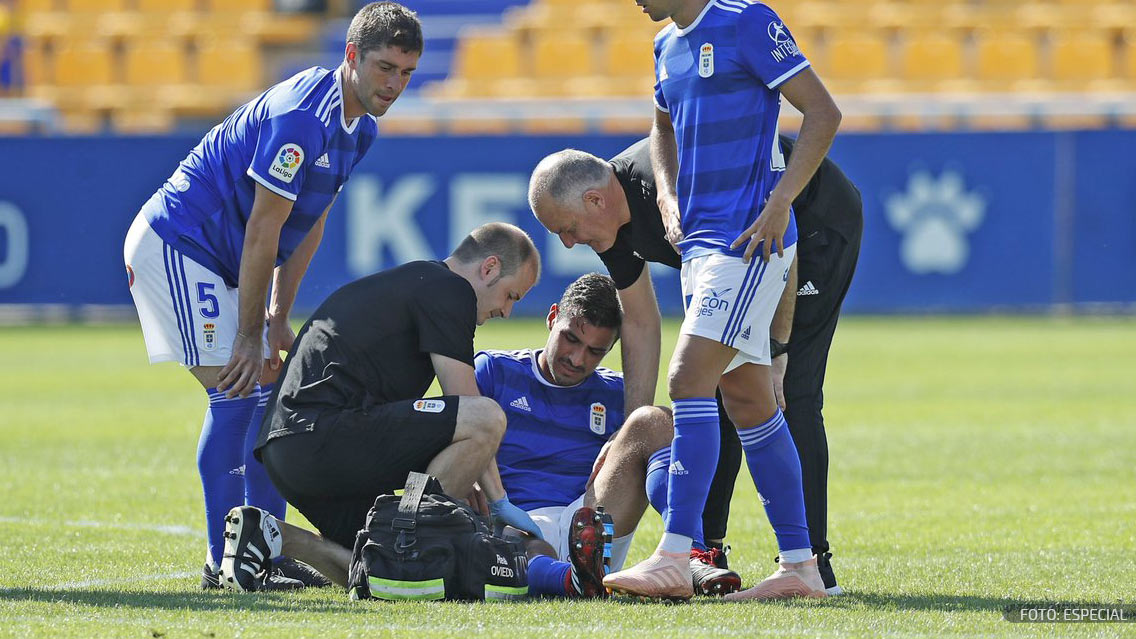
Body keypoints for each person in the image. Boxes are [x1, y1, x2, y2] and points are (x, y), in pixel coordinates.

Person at [534, 0, 842, 600]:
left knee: (687, 379)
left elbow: (823, 113)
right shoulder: (666, 47)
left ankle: (677, 554)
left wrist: (780, 205)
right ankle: (800, 566)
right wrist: (670, 198)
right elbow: (662, 125)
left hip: (746, 241)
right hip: (702, 249)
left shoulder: (746, 20)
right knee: (749, 399)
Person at [122, 2, 421, 589]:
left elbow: (310, 222)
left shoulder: (360, 127)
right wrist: (248, 330)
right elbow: (263, 229)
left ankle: (260, 550)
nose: (395, 84)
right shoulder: (302, 119)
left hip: (223, 259)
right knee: (241, 390)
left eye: (407, 73)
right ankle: (225, 563)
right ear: (352, 55)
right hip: (180, 244)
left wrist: (277, 317)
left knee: (267, 396)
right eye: (386, 67)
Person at [216, 223, 541, 591]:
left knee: (382, 573)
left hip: (288, 450)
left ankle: (272, 534)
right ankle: (413, 540)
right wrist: (499, 502)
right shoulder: (450, 288)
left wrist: (467, 464)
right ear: (489, 268)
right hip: (321, 436)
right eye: (511, 296)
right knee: (487, 417)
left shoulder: (414, 281)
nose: (508, 311)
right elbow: (469, 404)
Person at [475, 273, 742, 598]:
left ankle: (690, 553)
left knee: (654, 420)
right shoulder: (493, 370)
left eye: (594, 351)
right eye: (571, 339)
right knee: (522, 544)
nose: (577, 359)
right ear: (552, 317)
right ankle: (574, 580)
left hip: (591, 520)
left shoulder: (616, 392)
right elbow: (456, 439)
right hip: (516, 520)